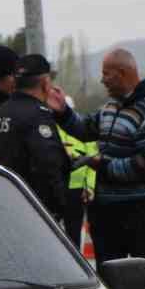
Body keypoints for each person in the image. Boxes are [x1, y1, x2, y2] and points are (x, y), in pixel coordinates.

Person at [46, 49, 145, 289]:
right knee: (107, 281)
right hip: (106, 209)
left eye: (107, 74)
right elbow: (85, 129)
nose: (102, 80)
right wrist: (63, 112)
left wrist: (102, 165)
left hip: (140, 210)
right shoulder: (110, 107)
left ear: (124, 74)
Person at [0, 54, 70, 234]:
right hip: (36, 215)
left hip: (5, 207)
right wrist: (60, 208)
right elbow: (48, 166)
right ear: (45, 83)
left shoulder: (0, 112)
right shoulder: (37, 115)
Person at [57, 102, 95, 250]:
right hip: (58, 188)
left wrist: (89, 186)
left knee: (74, 233)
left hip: (77, 190)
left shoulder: (81, 132)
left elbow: (92, 162)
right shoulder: (52, 129)